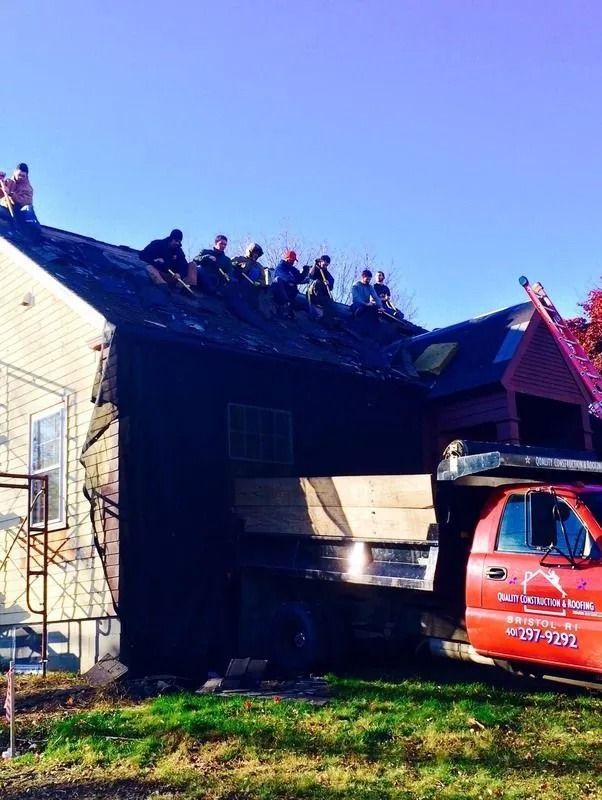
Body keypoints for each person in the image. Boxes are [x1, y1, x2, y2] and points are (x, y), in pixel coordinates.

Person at [0, 163, 40, 235]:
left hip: (20, 213)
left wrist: (11, 194)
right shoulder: (7, 182)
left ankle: (34, 233)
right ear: (15, 172)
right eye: (19, 175)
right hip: (6, 209)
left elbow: (25, 201)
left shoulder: (28, 188)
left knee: (28, 208)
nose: (21, 177)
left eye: (23, 176)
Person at [272, 250, 309, 317]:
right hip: (280, 294)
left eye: (294, 260)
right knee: (278, 280)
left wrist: (305, 272)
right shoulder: (280, 267)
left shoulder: (293, 270)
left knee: (304, 307)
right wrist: (291, 281)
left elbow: (299, 279)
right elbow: (284, 277)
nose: (293, 262)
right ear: (287, 259)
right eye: (291, 260)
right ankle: (285, 305)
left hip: (291, 295)